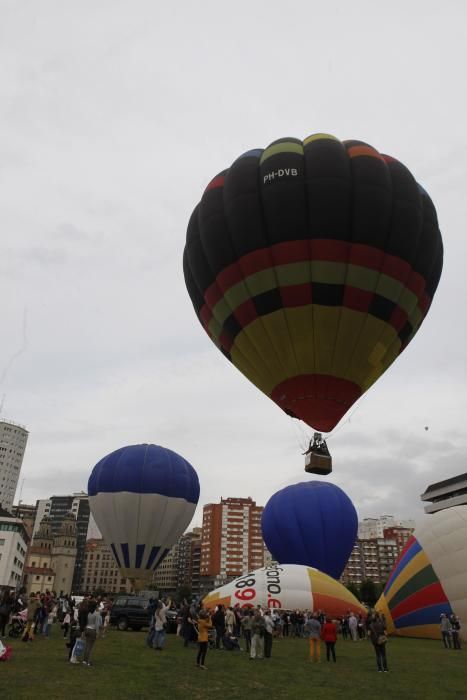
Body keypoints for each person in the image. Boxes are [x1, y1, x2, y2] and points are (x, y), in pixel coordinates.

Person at [82, 601, 102, 666]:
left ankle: (84, 660)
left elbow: (87, 622)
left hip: (87, 629)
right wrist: (97, 633)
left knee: (87, 646)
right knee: (90, 647)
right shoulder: (97, 614)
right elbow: (97, 625)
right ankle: (89, 661)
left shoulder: (89, 613)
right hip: (92, 630)